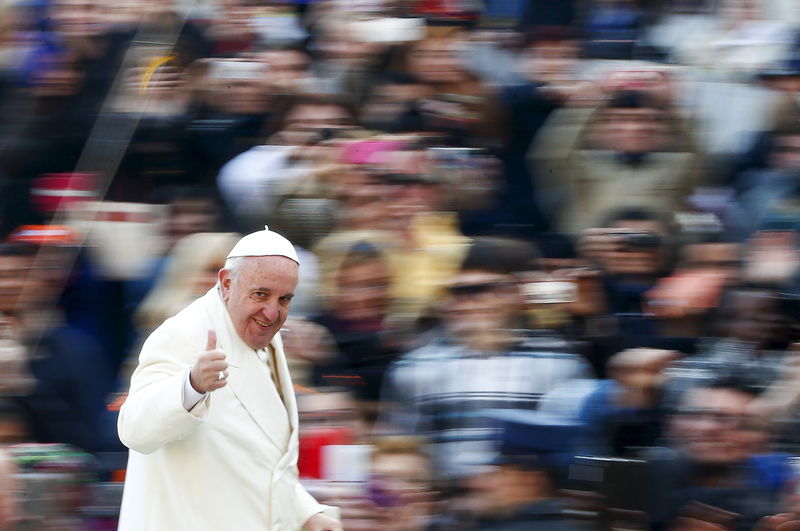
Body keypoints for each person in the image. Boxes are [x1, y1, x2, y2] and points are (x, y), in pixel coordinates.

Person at [117, 227, 342, 530]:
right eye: (260, 294)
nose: (272, 312)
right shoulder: (184, 332)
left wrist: (305, 513)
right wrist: (192, 385)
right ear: (226, 283)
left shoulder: (262, 333)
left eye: (285, 299)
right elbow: (134, 428)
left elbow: (257, 454)